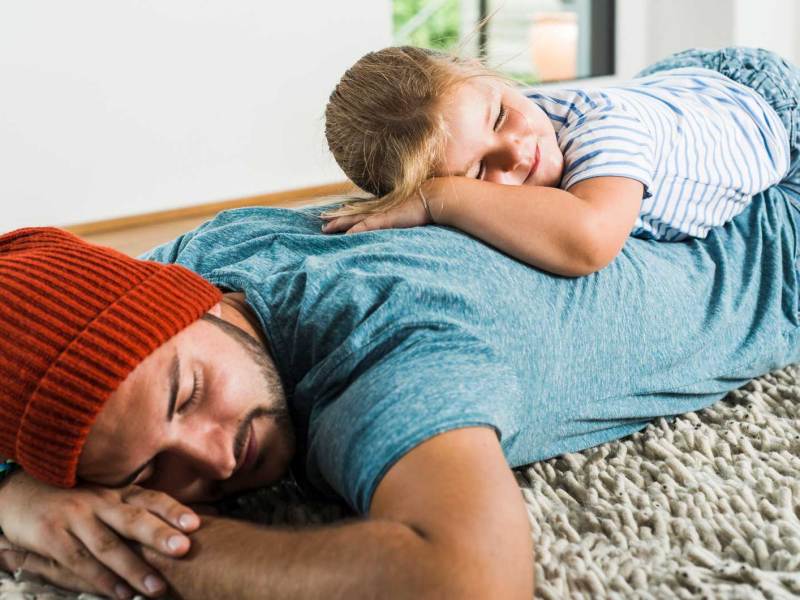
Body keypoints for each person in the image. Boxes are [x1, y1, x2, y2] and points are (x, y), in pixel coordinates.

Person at [1, 173, 800, 599]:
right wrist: (24, 500)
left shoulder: (385, 351)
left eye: (186, 395)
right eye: (149, 476)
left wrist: (141, 552)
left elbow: (465, 581)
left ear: (200, 297)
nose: (213, 458)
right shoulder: (209, 250)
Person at [321, 47, 800, 277]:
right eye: (478, 171)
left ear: (488, 76)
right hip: (670, 91)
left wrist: (444, 194)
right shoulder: (510, 126)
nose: (516, 149)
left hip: (762, 106)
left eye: (502, 115)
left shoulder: (606, 126)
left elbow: (587, 242)